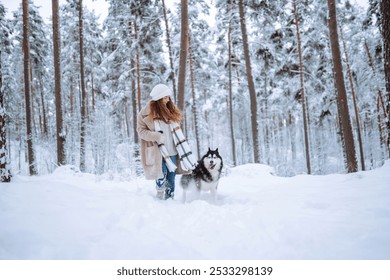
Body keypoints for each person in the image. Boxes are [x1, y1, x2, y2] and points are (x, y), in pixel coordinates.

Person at [137, 84, 197, 199]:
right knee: (161, 174)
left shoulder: (171, 111)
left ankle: (170, 197)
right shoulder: (144, 114)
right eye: (165, 97)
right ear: (159, 99)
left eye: (168, 97)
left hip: (173, 150)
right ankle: (159, 195)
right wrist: (155, 136)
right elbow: (140, 131)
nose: (168, 99)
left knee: (171, 175)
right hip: (157, 151)